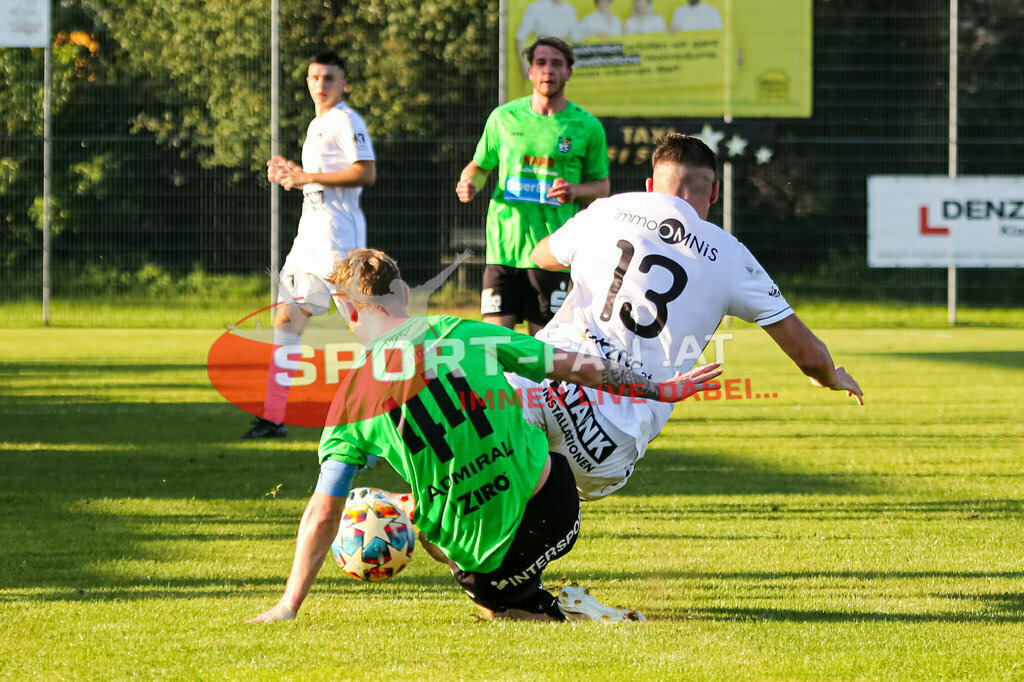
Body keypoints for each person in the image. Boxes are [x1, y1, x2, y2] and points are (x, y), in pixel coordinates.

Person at [247, 248, 722, 624]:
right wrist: (661, 388)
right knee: (424, 503)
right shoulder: (466, 332)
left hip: (501, 553)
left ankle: (558, 609)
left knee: (496, 606)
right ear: (405, 296)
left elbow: (324, 509)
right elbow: (576, 367)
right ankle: (527, 588)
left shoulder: (350, 401)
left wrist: (289, 603)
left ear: (348, 308)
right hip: (558, 500)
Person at [515, 134, 863, 500]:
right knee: (548, 506)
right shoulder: (731, 256)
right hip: (610, 435)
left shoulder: (609, 209)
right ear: (714, 193)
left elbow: (541, 255)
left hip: (545, 382)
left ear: (650, 186)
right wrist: (830, 377)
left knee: (487, 479)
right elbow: (808, 355)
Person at [243, 51, 376, 439]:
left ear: (344, 83)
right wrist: (290, 174)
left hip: (340, 236)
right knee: (286, 318)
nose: (321, 85)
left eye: (330, 78)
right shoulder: (317, 123)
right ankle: (273, 417)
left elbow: (365, 173)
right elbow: (312, 178)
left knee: (365, 326)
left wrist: (306, 177)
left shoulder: (346, 120)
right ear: (307, 82)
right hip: (310, 233)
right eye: (315, 78)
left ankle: (389, 419)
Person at [456, 37, 609, 336]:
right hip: (504, 248)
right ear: (529, 71)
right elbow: (479, 165)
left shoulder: (587, 126)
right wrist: (468, 183)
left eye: (556, 64)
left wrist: (575, 190)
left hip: (554, 252)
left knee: (544, 351)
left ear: (569, 72)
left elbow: (602, 187)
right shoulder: (503, 118)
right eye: (540, 63)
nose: (547, 70)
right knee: (494, 346)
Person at [514, 0, 578, 79]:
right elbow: (520, 37)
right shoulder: (536, 7)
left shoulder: (569, 9)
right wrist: (524, 65)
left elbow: (574, 36)